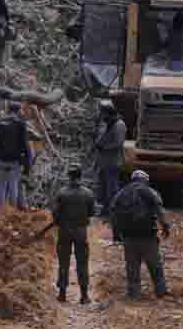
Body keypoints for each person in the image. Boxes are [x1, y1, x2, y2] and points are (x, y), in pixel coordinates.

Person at [110, 170, 171, 299]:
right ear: (145, 180)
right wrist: (165, 227)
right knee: (155, 265)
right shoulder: (149, 192)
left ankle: (134, 294)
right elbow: (159, 210)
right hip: (147, 235)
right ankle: (161, 291)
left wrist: (116, 234)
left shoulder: (121, 193)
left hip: (128, 236)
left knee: (132, 266)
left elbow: (114, 213)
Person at [51, 164, 96, 304]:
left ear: (69, 176)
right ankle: (84, 296)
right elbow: (92, 212)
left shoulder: (61, 193)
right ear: (80, 176)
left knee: (63, 262)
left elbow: (55, 213)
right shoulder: (88, 193)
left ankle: (62, 294)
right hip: (81, 231)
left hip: (64, 231)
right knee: (82, 263)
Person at [0, 102, 31, 210]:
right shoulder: (21, 124)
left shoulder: (0, 122)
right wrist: (28, 165)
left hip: (0, 160)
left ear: (9, 110)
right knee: (13, 187)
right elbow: (25, 145)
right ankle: (12, 212)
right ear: (18, 111)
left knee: (1, 187)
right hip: (14, 161)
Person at [94, 100, 126, 216]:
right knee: (102, 188)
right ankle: (105, 210)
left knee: (112, 189)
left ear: (108, 113)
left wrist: (104, 147)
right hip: (104, 162)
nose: (101, 116)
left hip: (113, 162)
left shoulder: (119, 124)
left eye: (103, 113)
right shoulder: (107, 124)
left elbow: (118, 143)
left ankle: (114, 211)